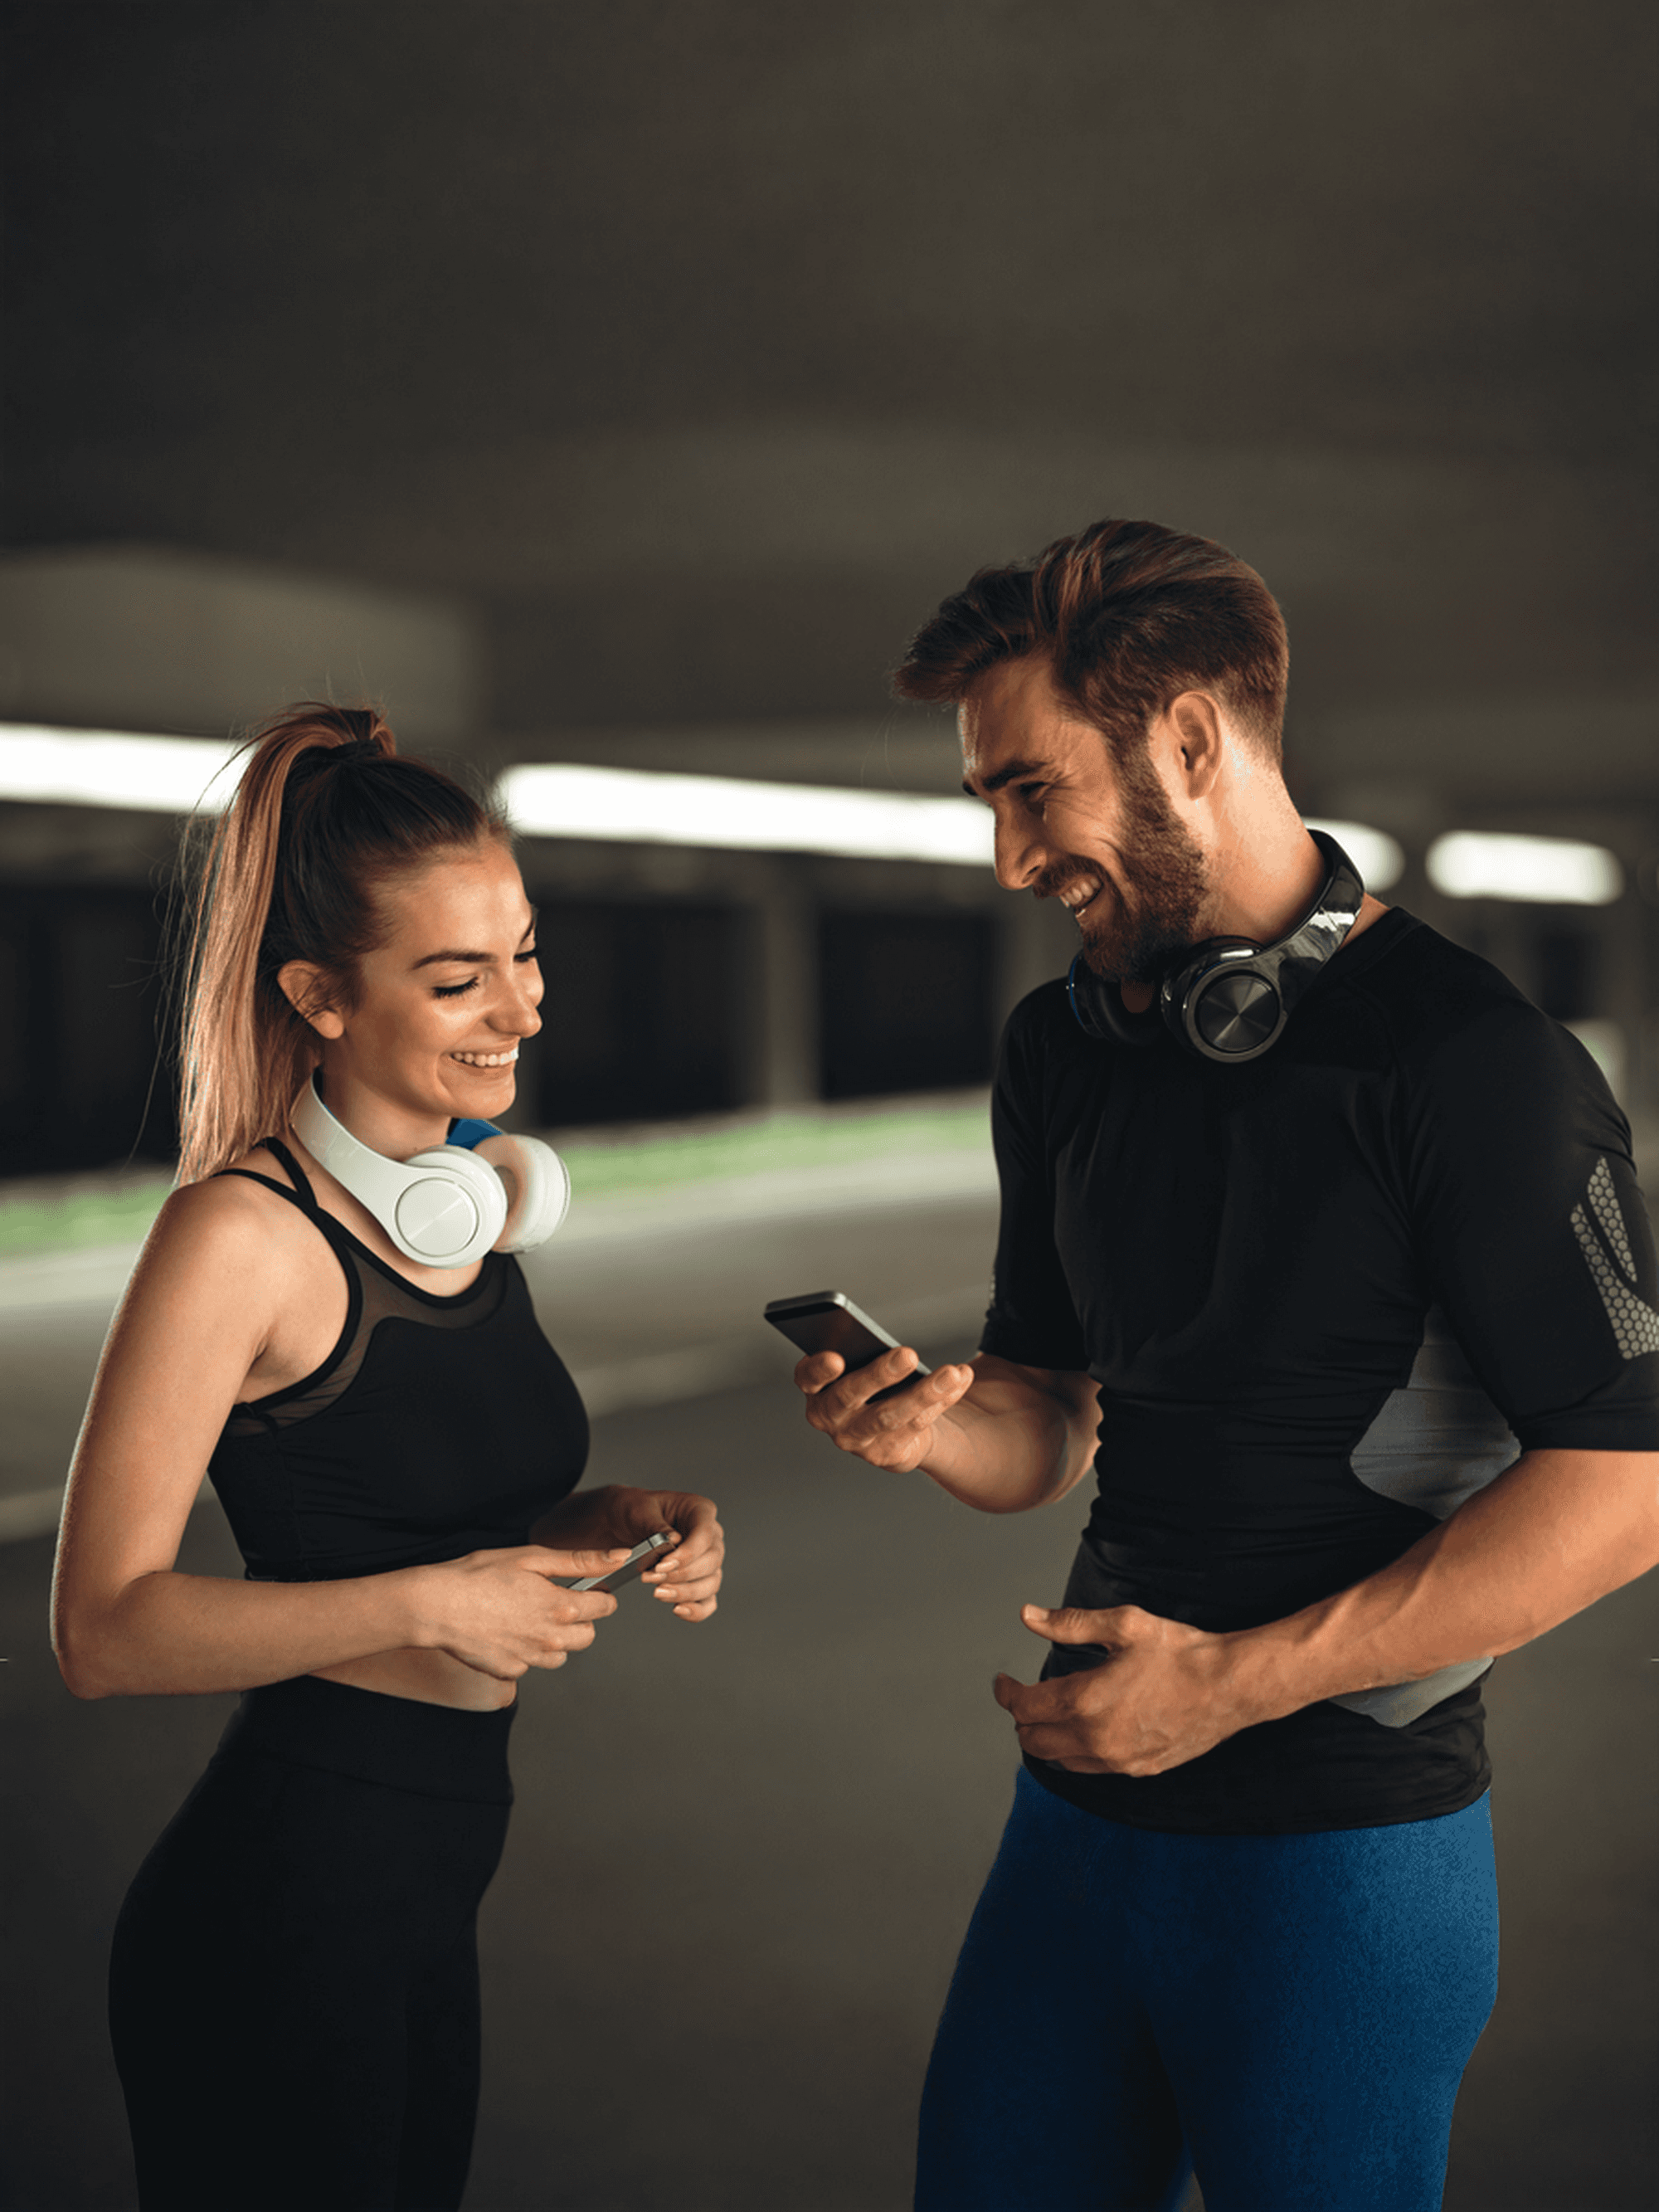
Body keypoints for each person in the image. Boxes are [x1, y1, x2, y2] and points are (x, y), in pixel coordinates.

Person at [791, 521, 1659, 2212]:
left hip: (1337, 1856)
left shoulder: (1473, 1062)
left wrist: (1233, 1682)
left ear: (1189, 740)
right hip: (1081, 1816)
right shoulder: (1064, 1046)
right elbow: (1044, 1422)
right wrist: (936, 1420)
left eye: (1029, 789)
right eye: (986, 802)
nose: (1005, 857)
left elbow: (1626, 1486)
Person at [51, 704, 726, 2212]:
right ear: (321, 994)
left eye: (527, 953)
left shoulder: (461, 1208)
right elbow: (102, 1629)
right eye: (457, 975)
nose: (522, 1009)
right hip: (281, 1911)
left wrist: (608, 1518)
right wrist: (434, 1604)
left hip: (426, 1887)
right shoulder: (237, 1236)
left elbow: (411, 1498)